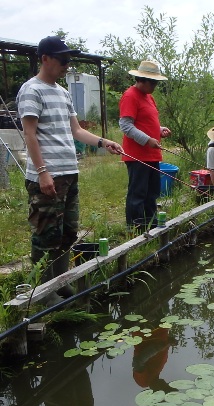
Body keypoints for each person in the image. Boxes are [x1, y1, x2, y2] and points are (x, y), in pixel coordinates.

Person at [16, 36, 123, 301]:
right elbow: (29, 134)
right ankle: (43, 293)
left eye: (68, 60)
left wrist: (102, 142)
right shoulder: (32, 90)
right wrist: (42, 172)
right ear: (45, 59)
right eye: (63, 60)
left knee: (67, 233)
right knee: (45, 235)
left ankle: (61, 283)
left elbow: (75, 130)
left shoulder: (63, 93)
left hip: (69, 173)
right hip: (47, 175)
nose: (67, 65)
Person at [119, 60, 172, 228]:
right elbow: (126, 126)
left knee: (152, 193)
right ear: (142, 79)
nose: (155, 85)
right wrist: (147, 140)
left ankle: (151, 225)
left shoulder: (149, 97)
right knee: (138, 193)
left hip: (152, 154)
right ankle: (134, 228)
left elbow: (148, 122)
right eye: (153, 82)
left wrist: (160, 129)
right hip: (137, 155)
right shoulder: (130, 96)